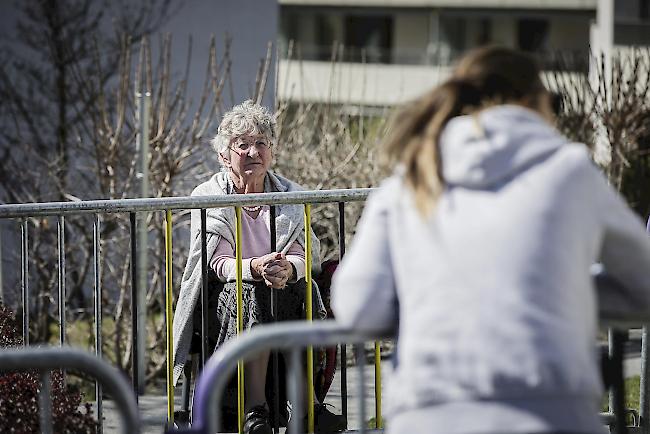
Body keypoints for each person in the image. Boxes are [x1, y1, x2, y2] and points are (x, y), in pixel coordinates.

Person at [331, 46, 650, 434]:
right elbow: (642, 285)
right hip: (552, 408)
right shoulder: (570, 171)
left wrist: (443, 298)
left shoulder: (411, 178)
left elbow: (359, 307)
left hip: (430, 411)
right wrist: (555, 293)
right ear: (532, 102)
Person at [172, 100, 345, 434]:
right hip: (222, 302)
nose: (253, 152)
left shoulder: (291, 195)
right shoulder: (208, 195)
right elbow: (217, 263)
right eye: (243, 145)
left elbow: (305, 255)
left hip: (281, 293)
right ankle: (264, 408)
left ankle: (284, 411)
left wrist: (287, 269)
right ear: (224, 156)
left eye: (261, 144)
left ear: (272, 151)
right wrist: (255, 267)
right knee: (251, 291)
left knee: (296, 288)